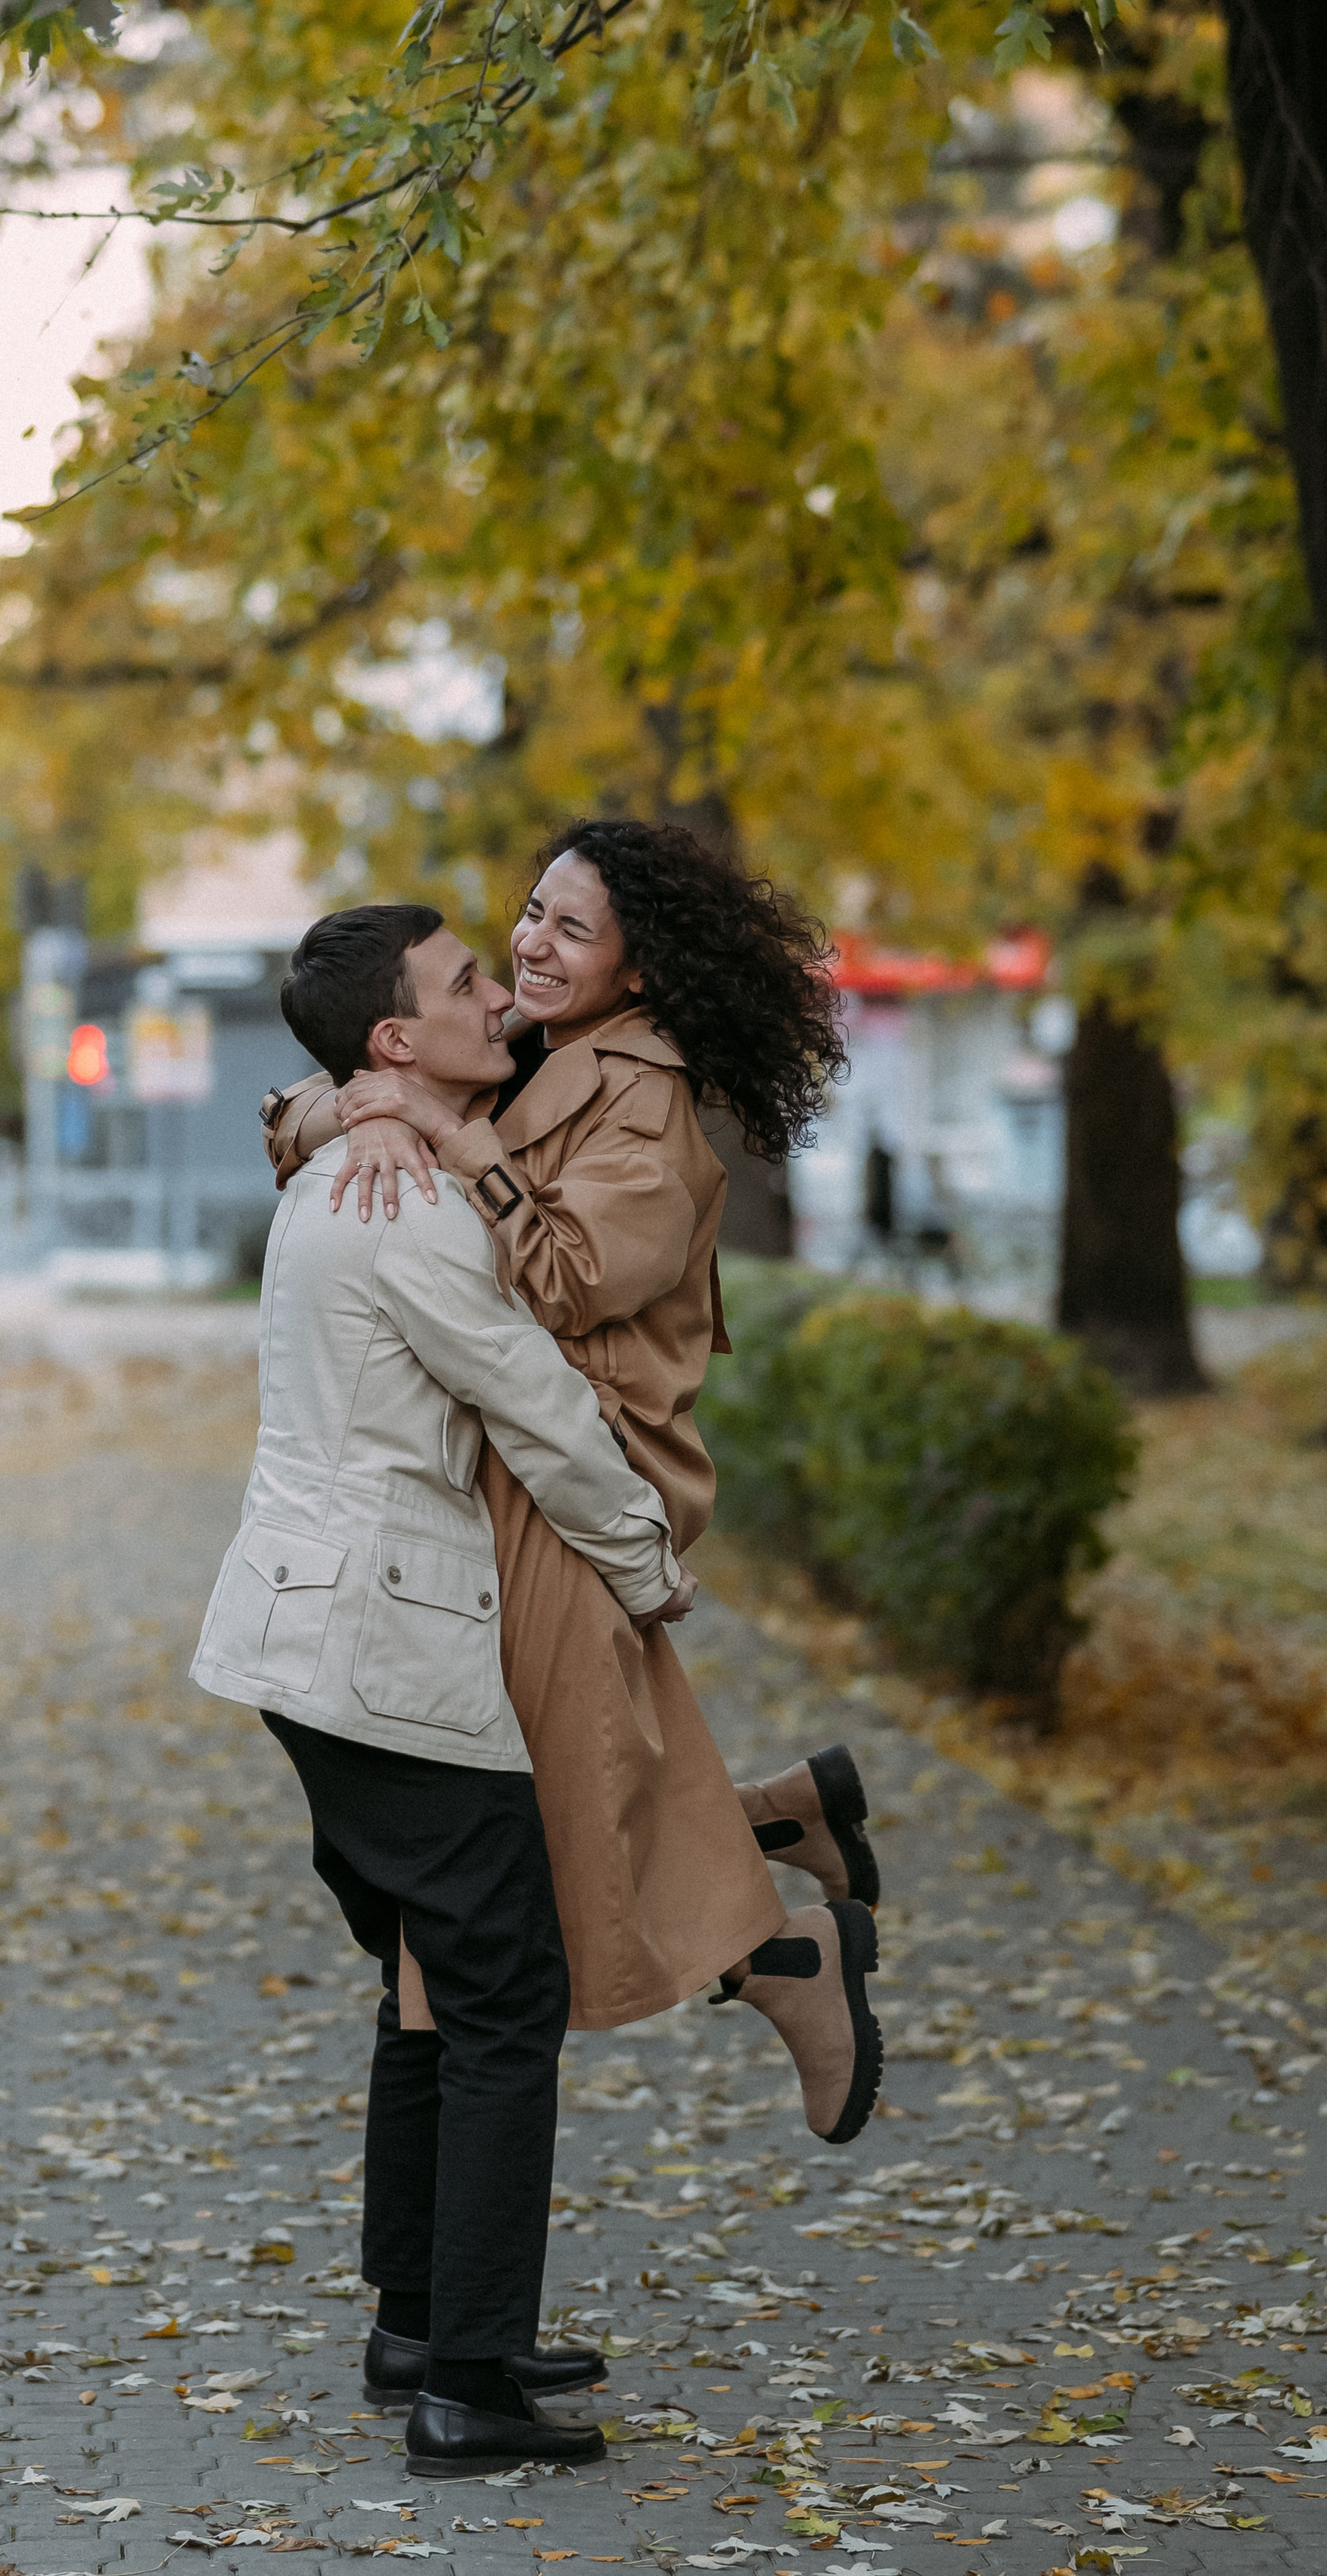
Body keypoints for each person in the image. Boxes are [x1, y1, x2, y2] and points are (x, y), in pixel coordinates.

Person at [263, 822, 884, 2141]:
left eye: (572, 929)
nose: (532, 946)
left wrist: (437, 1127)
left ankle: (781, 1952)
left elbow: (567, 1280)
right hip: (514, 1464)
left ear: (640, 970)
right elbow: (329, 1087)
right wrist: (358, 1105)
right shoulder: (535, 1050)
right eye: (532, 912)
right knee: (521, 1813)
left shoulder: (642, 1102)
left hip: (584, 1462)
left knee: (531, 1823)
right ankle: (775, 1859)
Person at [192, 903, 704, 2476]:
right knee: (503, 1997)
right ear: (394, 1040)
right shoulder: (402, 1201)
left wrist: (344, 1107)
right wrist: (644, 1562)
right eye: (466, 980)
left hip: (314, 1636)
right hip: (384, 1648)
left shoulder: (365, 1157)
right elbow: (534, 1400)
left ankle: (422, 2321)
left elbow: (330, 1101)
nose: (501, 990)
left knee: (429, 1978)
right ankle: (467, 2386)